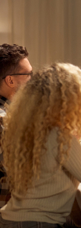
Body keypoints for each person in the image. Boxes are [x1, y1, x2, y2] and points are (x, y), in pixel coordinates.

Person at [0, 63, 81, 227]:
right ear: (66, 100)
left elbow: (67, 162)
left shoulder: (28, 132)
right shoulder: (58, 136)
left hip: (11, 219)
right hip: (39, 223)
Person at [0, 43, 33, 208]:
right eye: (28, 74)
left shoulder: (11, 112)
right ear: (10, 80)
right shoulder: (4, 120)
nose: (32, 80)